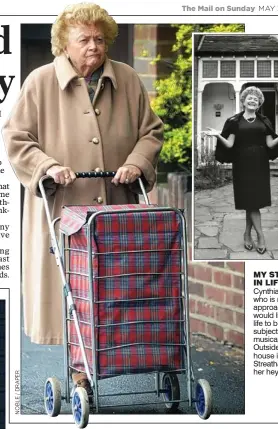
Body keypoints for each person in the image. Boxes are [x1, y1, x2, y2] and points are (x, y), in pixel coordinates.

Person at [2, 3, 163, 396]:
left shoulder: (126, 78)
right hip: (63, 209)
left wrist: (137, 162)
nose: (94, 46)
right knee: (74, 288)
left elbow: (151, 132)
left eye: (100, 39)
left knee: (116, 286)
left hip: (116, 206)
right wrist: (48, 166)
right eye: (84, 39)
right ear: (64, 44)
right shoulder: (40, 82)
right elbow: (16, 139)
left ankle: (115, 357)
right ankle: (80, 373)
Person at [205, 86, 278, 255]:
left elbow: (270, 144)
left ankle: (247, 233)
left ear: (259, 103)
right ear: (243, 101)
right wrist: (218, 136)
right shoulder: (234, 121)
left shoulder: (264, 121)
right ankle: (261, 236)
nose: (253, 100)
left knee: (253, 201)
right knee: (251, 201)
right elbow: (230, 145)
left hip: (260, 163)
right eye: (250, 97)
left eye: (256, 98)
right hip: (242, 163)